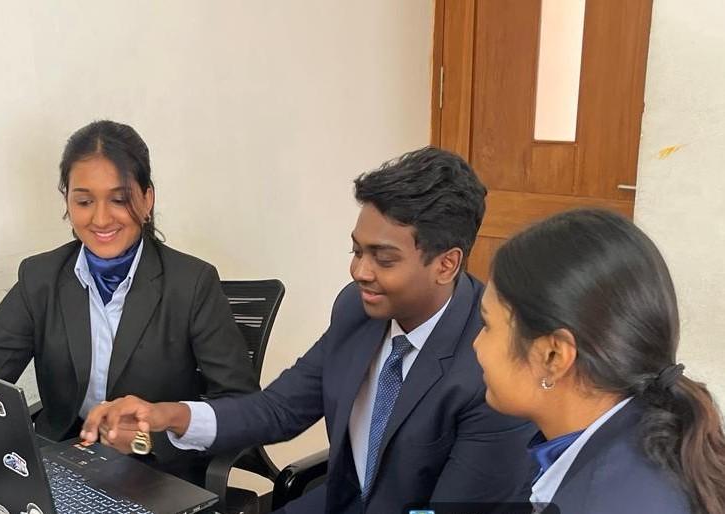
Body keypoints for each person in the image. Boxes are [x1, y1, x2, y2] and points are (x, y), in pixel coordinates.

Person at [82, 147, 536, 514]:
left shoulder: (493, 366)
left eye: (383, 258)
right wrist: (168, 416)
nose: (359, 271)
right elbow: (279, 409)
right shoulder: (357, 311)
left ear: (446, 264)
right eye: (356, 251)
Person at [0, 121, 258, 462]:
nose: (100, 219)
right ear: (67, 202)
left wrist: (150, 438)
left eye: (119, 199)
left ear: (147, 199)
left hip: (157, 470)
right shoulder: (41, 277)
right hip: (63, 458)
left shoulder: (192, 283)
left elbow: (242, 407)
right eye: (84, 201)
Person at [473, 209, 725, 514]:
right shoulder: (643, 439)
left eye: (487, 325)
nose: (476, 344)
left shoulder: (610, 499)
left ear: (554, 355)